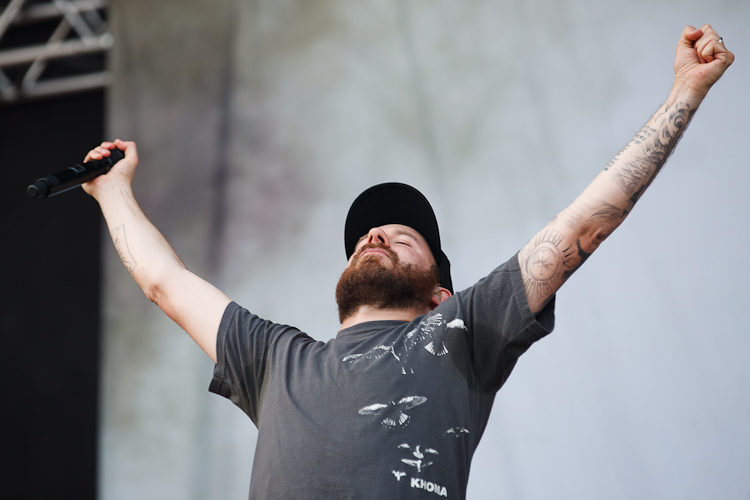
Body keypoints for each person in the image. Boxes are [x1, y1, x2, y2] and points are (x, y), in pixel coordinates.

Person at [83, 25, 733, 500]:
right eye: (368, 235)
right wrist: (112, 192)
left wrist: (685, 90)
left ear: (439, 295)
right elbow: (164, 283)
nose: (376, 235)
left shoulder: (462, 333)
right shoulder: (274, 358)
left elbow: (585, 224)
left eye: (403, 237)